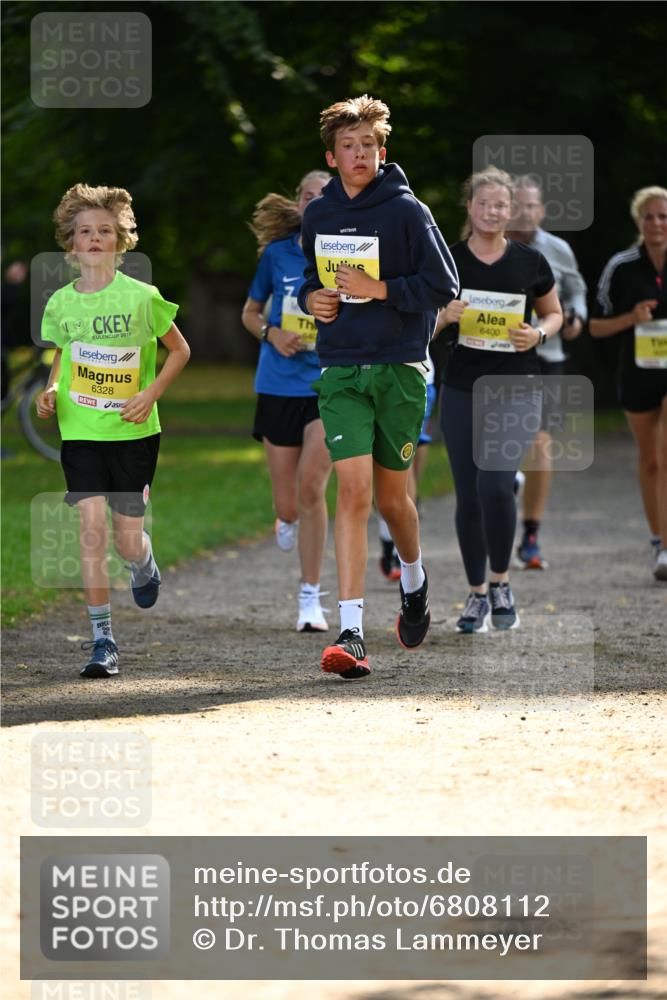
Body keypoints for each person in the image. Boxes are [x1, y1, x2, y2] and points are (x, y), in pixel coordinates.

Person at [297, 94, 459, 679]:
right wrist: (311, 299)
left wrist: (380, 288)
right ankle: (351, 632)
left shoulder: (407, 212)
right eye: (348, 146)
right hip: (340, 368)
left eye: (368, 145)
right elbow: (311, 280)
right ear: (332, 156)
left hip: (399, 367)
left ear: (381, 151)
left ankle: (414, 581)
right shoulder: (318, 215)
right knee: (354, 492)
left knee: (393, 501)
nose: (359, 154)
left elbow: (444, 284)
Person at [36, 183, 190, 678]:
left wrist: (150, 394)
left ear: (121, 241)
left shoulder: (142, 297)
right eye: (85, 232)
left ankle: (143, 561)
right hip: (80, 429)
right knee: (90, 530)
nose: (95, 239)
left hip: (132, 432)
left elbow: (180, 350)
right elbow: (62, 356)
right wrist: (52, 389)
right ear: (71, 243)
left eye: (104, 231)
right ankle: (102, 639)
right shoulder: (61, 303)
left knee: (125, 541)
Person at [438, 166, 562, 633]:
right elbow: (420, 323)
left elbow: (554, 313)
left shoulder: (530, 261)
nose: (492, 212)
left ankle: (501, 582)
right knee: (468, 493)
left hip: (517, 385)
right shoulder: (448, 260)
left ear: (511, 211)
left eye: (501, 205)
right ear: (470, 207)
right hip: (461, 387)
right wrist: (444, 316)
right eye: (484, 203)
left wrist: (538, 334)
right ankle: (475, 595)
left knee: (495, 484)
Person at [241, 170, 333, 631]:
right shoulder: (277, 255)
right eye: (307, 196)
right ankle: (287, 518)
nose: (315, 202)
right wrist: (271, 333)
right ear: (298, 204)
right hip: (278, 384)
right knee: (288, 505)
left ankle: (310, 597)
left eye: (324, 196)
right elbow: (250, 312)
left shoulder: (349, 254)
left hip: (329, 384)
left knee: (312, 487)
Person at [506, 175, 588, 569]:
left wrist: (576, 318)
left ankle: (531, 535)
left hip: (545, 355)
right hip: (494, 356)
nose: (524, 213)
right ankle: (504, 492)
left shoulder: (558, 250)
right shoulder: (486, 244)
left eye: (530, 206)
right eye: (517, 205)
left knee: (540, 442)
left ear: (541, 210)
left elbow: (576, 292)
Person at [590, 185, 667, 582]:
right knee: (650, 460)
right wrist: (631, 318)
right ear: (639, 222)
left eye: (663, 216)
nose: (656, 223)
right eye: (649, 216)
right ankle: (658, 541)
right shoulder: (622, 266)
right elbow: (595, 326)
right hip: (638, 374)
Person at [377, 346, 437, 582]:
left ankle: (398, 546)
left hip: (416, 374)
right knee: (382, 464)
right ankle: (389, 535)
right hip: (370, 373)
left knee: (404, 461)